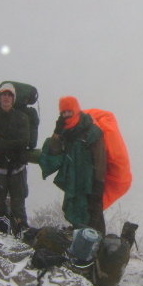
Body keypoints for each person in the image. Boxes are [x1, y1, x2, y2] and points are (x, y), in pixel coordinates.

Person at [39, 96, 107, 234]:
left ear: (76, 110)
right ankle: (80, 247)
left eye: (69, 111)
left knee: (94, 218)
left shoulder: (92, 131)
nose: (66, 115)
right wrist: (57, 133)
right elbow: (55, 151)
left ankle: (98, 249)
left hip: (90, 183)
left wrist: (98, 184)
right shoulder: (65, 131)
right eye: (63, 113)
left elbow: (100, 158)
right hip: (74, 182)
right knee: (77, 213)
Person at [0, 83, 31, 232]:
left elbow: (25, 141)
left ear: (13, 98)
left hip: (18, 167)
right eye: (3, 94)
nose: (6, 97)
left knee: (19, 205)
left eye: (9, 95)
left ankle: (22, 232)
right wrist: (13, 144)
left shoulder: (22, 117)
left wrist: (2, 143)